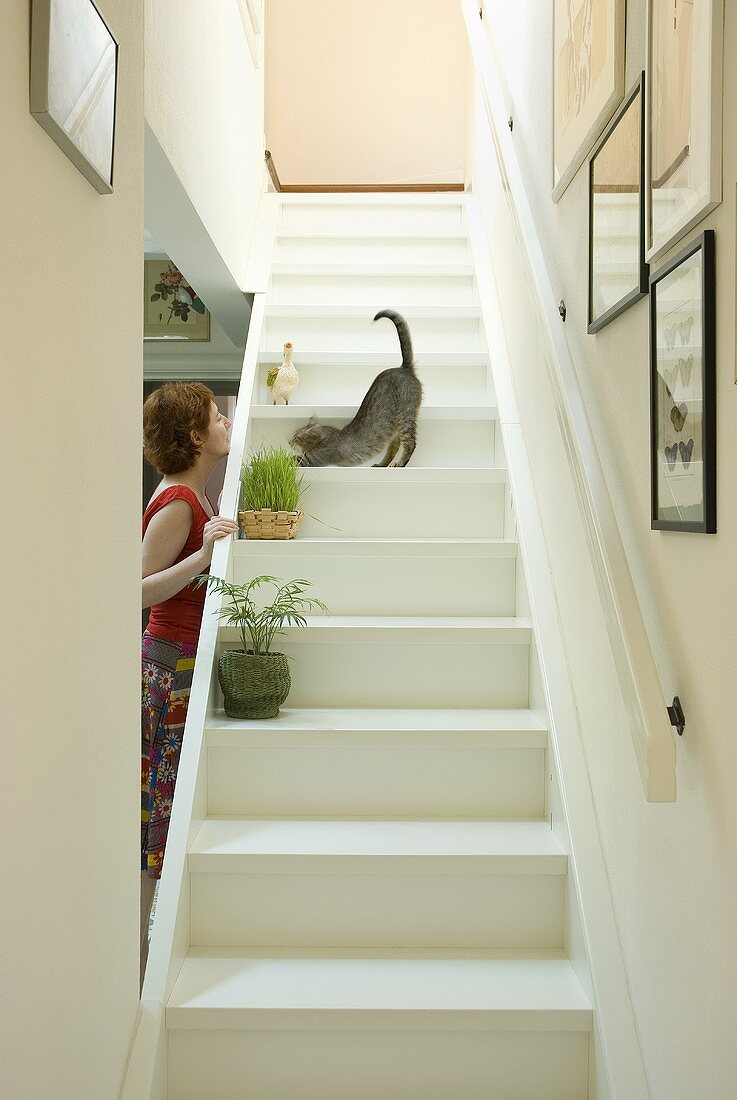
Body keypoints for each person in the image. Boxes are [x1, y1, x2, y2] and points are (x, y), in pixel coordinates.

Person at [139, 381, 238, 987]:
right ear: (197, 437)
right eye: (214, 415)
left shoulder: (194, 495)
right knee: (156, 812)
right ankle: (145, 962)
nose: (225, 418)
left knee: (163, 810)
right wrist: (202, 556)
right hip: (166, 665)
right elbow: (134, 588)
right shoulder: (179, 501)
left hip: (178, 662)